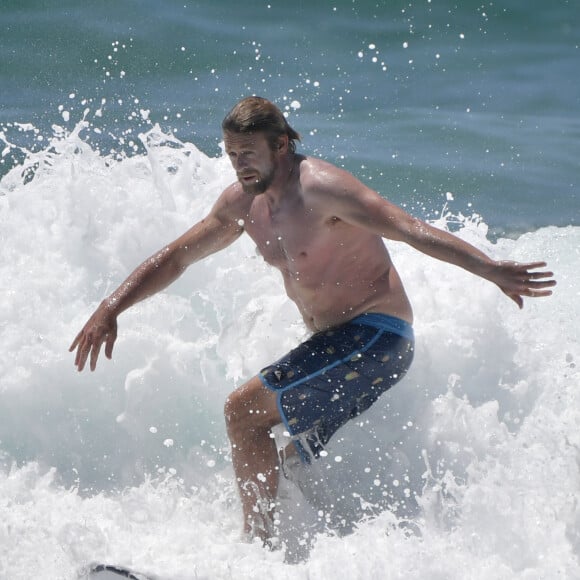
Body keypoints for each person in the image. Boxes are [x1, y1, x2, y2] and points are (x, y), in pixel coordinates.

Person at [70, 96, 556, 544]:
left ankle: (254, 554)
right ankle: (315, 558)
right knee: (285, 461)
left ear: (281, 145)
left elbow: (409, 229)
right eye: (231, 154)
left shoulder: (322, 189)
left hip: (376, 337)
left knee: (242, 412)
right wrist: (113, 306)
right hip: (338, 351)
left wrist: (488, 268)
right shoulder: (242, 205)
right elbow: (178, 256)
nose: (239, 164)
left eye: (248, 152)